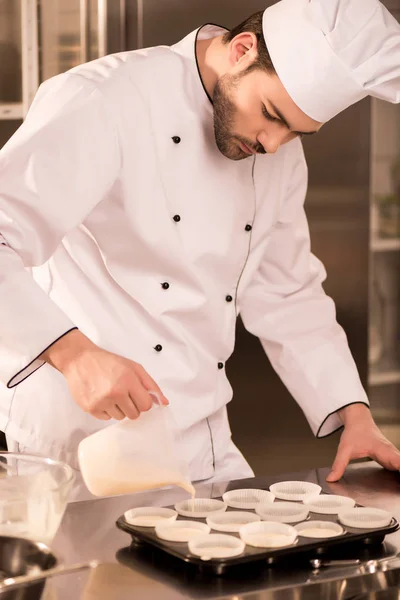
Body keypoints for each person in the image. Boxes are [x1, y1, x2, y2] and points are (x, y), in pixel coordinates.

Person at [0, 0, 399, 497]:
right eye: (271, 115)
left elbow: (288, 293)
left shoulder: (277, 151)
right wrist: (74, 354)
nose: (274, 144)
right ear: (242, 49)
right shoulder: (104, 99)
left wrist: (354, 416)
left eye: (296, 132)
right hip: (81, 451)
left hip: (200, 446)